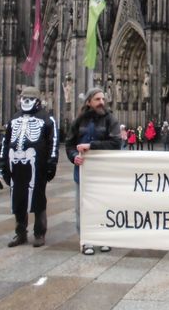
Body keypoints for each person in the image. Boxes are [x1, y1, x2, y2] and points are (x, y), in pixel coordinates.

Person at [65, 87, 121, 255]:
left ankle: (104, 238)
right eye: (97, 99)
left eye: (103, 99)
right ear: (89, 102)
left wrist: (91, 146)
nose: (101, 102)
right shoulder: (79, 121)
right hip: (82, 171)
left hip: (103, 171)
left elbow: (116, 143)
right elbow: (69, 144)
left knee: (103, 205)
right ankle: (86, 240)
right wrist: (74, 156)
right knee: (81, 207)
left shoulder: (110, 119)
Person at [1, 86, 58, 248]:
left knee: (38, 200)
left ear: (38, 101)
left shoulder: (47, 119)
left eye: (30, 98)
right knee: (18, 200)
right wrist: (3, 165)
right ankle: (20, 233)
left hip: (37, 166)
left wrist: (51, 163)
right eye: (23, 98)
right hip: (15, 166)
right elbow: (6, 143)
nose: (26, 101)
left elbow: (53, 143)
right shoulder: (14, 119)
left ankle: (39, 233)